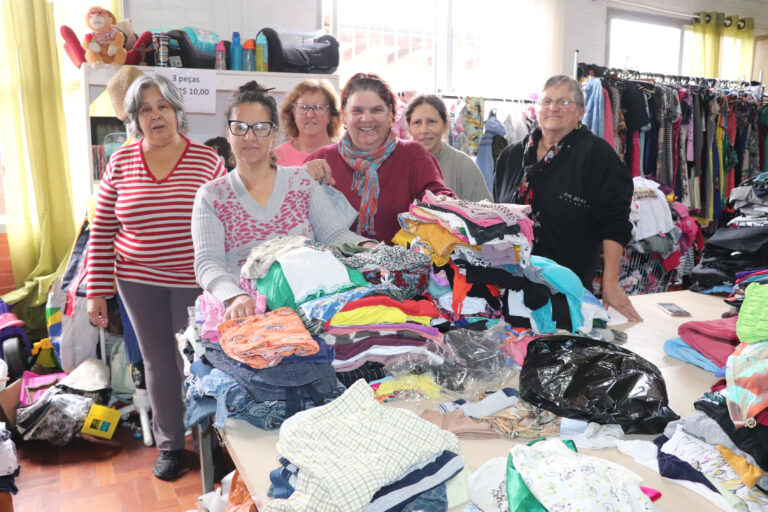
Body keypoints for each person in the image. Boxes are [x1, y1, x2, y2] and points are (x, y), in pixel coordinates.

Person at [86, 74, 226, 480]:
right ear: (135, 118)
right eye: (146, 109)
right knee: (158, 362)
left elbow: (225, 223)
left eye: (163, 106)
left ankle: (209, 442)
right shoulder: (120, 161)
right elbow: (102, 228)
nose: (156, 115)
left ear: (177, 111)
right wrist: (97, 290)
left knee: (198, 362)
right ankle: (170, 446)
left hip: (193, 281)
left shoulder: (207, 161)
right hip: (137, 280)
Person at [192, 81, 375, 320]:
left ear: (274, 133)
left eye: (260, 127)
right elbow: (208, 262)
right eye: (240, 127)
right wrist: (235, 297)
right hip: (246, 314)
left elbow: (334, 235)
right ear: (228, 133)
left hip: (309, 309)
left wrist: (371, 248)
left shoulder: (302, 182)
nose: (249, 136)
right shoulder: (212, 196)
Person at [493, 75, 642, 322]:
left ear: (581, 112)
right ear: (537, 108)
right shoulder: (511, 156)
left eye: (564, 102)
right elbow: (496, 217)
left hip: (568, 290)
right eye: (547, 101)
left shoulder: (597, 155)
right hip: (511, 287)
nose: (553, 108)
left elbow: (615, 223)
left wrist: (610, 284)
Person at [304, 73, 455, 244]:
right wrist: (300, 177)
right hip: (332, 262)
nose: (366, 118)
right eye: (357, 111)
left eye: (376, 110)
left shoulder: (414, 156)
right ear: (344, 115)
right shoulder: (321, 160)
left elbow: (438, 196)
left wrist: (444, 202)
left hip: (400, 261)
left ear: (390, 114)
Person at [406, 94, 492, 202]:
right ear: (409, 129)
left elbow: (487, 210)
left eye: (431, 122)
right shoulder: (400, 166)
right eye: (417, 123)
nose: (424, 130)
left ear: (446, 125)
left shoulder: (464, 166)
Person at [273, 79, 342, 166]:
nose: (310, 114)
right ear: (292, 113)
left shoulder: (344, 155)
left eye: (318, 107)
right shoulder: (275, 157)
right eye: (304, 107)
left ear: (331, 114)